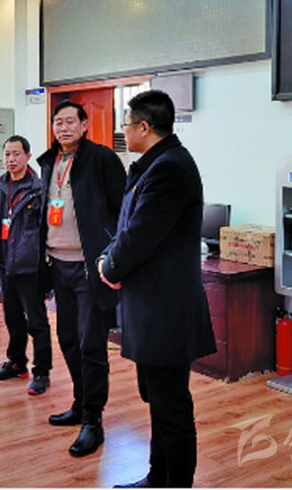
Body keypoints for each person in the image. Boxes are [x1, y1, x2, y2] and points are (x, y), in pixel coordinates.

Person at [98, 90, 216, 488]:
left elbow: (140, 236)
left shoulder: (169, 169)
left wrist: (110, 265)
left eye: (126, 125)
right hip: (151, 306)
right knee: (159, 402)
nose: (124, 132)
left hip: (165, 309)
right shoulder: (154, 165)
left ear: (145, 127)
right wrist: (109, 257)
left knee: (172, 407)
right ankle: (157, 477)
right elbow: (128, 228)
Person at [37, 100, 125, 457]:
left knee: (92, 345)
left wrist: (113, 257)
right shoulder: (49, 162)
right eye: (58, 122)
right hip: (58, 264)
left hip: (90, 267)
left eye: (70, 121)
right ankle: (80, 401)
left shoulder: (102, 159)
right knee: (68, 339)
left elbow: (122, 212)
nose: (64, 128)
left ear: (85, 125)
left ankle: (93, 420)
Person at [0, 135, 52, 395]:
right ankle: (17, 362)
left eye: (16, 154)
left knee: (37, 322)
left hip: (30, 266)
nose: (11, 159)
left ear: (28, 156)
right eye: (7, 154)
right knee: (12, 318)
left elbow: (46, 229)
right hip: (6, 264)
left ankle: (42, 371)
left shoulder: (39, 188)